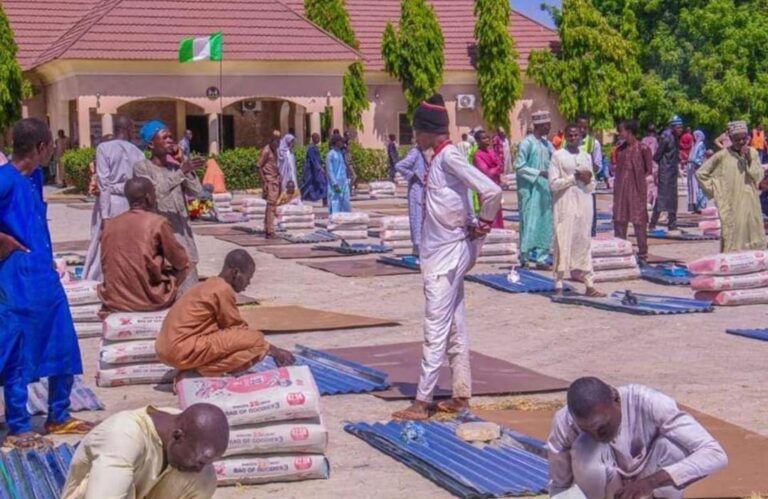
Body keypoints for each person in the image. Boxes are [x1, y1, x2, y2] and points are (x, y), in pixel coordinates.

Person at [391, 95, 502, 420]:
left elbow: (491, 190)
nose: (415, 137)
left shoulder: (450, 157)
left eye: (417, 131)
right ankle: (461, 394)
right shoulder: (437, 160)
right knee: (455, 325)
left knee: (435, 328)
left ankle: (422, 401)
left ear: (429, 132)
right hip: (442, 253)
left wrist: (483, 224)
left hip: (448, 256)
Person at [0, 118, 94, 448]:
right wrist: (5, 242)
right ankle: (19, 424)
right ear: (41, 147)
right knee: (17, 352)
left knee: (62, 343)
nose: (54, 149)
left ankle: (58, 415)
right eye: (51, 144)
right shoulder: (5, 181)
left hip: (45, 277)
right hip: (16, 281)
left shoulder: (35, 177)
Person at [548, 377, 728, 499]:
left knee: (673, 447)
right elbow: (560, 486)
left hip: (653, 481)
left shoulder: (649, 402)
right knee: (584, 447)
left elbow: (715, 454)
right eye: (588, 429)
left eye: (603, 427)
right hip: (604, 489)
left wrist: (650, 482)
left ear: (615, 401)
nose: (597, 435)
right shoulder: (564, 421)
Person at [155, 250, 295, 376]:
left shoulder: (207, 285)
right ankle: (200, 372)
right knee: (257, 341)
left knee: (246, 341)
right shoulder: (222, 289)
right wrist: (273, 350)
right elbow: (236, 328)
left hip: (165, 349)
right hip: (179, 349)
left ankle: (197, 368)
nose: (249, 283)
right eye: (248, 277)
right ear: (235, 273)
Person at [61, 404, 229, 499]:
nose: (199, 468)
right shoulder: (124, 434)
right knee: (119, 481)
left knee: (205, 478)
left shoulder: (181, 430)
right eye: (198, 461)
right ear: (178, 436)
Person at [98, 177, 190, 313]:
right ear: (148, 197)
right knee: (186, 264)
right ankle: (164, 300)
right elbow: (181, 261)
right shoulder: (158, 222)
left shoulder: (109, 224)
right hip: (149, 299)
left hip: (113, 298)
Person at [134, 120, 203, 295]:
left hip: (183, 240)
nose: (170, 141)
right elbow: (154, 194)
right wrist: (181, 173)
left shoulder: (176, 167)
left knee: (189, 297)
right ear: (151, 143)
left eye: (171, 137)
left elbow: (196, 191)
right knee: (164, 296)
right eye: (165, 138)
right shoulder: (142, 168)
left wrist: (184, 166)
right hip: (161, 244)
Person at [82, 116, 145, 281]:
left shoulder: (104, 148)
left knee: (102, 240)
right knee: (127, 242)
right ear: (128, 129)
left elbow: (104, 182)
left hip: (110, 201)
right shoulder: (138, 152)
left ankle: (98, 278)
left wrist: (104, 214)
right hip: (130, 202)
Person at [550, 124, 604, 297]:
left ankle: (589, 284)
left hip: (584, 205)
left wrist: (588, 180)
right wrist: (574, 178)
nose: (573, 138)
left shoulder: (586, 156)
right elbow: (553, 184)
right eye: (570, 135)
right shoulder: (558, 156)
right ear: (565, 137)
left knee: (584, 242)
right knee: (562, 241)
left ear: (581, 137)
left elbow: (593, 185)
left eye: (576, 135)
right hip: (565, 205)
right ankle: (558, 283)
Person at [696, 120, 767, 252]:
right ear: (731, 139)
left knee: (752, 231)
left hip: (750, 201)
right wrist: (716, 190)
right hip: (731, 203)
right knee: (733, 232)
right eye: (737, 139)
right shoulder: (722, 156)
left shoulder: (753, 153)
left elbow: (758, 176)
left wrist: (749, 159)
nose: (741, 142)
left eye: (743, 139)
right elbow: (701, 173)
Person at [515, 111, 555, 268]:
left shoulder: (547, 144)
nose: (549, 127)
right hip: (529, 191)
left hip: (544, 190)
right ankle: (524, 258)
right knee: (528, 222)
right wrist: (539, 173)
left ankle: (541, 258)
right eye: (547, 125)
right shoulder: (527, 143)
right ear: (539, 125)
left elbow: (556, 158)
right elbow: (519, 167)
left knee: (545, 222)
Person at [613, 120, 653, 262]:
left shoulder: (643, 148)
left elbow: (649, 170)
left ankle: (642, 253)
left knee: (639, 221)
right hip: (621, 189)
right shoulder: (621, 150)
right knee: (619, 220)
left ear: (629, 131)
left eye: (621, 131)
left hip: (637, 190)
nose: (620, 134)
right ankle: (620, 251)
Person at [651, 116, 684, 230]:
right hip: (665, 172)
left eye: (681, 127)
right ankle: (652, 223)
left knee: (673, 199)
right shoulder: (666, 137)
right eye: (679, 127)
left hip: (672, 171)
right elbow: (657, 155)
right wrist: (661, 167)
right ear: (673, 126)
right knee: (662, 198)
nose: (681, 129)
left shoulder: (675, 137)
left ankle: (672, 224)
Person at [395, 145, 428, 255]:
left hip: (424, 189)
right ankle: (417, 246)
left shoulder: (424, 153)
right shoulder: (415, 152)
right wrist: (412, 175)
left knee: (423, 218)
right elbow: (400, 165)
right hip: (416, 189)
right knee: (416, 217)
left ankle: (421, 246)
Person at [576, 115, 604, 233]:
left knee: (589, 214)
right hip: (573, 184)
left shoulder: (594, 143)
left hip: (588, 186)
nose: (582, 130)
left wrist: (586, 173)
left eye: (584, 127)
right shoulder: (568, 141)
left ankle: (591, 235)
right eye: (580, 127)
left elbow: (598, 165)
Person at [473, 130, 505, 228]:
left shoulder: (491, 152)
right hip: (486, 190)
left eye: (487, 137)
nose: (487, 140)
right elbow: (487, 172)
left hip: (496, 187)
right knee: (488, 215)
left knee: (497, 213)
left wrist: (498, 167)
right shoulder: (478, 155)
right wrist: (497, 168)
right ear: (477, 141)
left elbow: (501, 166)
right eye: (484, 138)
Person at [258, 134, 281, 238]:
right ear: (272, 141)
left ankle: (267, 227)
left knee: (272, 206)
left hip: (275, 180)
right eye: (276, 142)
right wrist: (265, 182)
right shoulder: (266, 151)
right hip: (269, 180)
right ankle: (270, 231)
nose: (278, 145)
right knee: (271, 205)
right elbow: (258, 166)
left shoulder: (274, 150)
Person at [327, 134, 351, 214]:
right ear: (336, 142)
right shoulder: (331, 154)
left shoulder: (340, 153)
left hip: (344, 182)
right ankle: (335, 219)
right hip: (336, 183)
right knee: (335, 201)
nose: (342, 143)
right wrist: (334, 183)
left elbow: (343, 167)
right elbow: (330, 171)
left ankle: (346, 219)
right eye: (340, 141)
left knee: (345, 200)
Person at [300, 133, 327, 204]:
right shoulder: (311, 148)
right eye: (318, 138)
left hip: (315, 169)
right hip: (311, 169)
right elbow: (313, 160)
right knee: (307, 183)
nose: (319, 139)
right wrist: (320, 168)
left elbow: (317, 159)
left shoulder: (315, 147)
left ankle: (325, 200)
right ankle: (301, 197)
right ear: (314, 139)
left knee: (322, 183)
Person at [687, 130, 708, 213]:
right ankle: (693, 205)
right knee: (692, 186)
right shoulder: (695, 145)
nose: (694, 137)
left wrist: (697, 165)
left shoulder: (701, 145)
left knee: (697, 187)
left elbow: (700, 157)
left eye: (696, 136)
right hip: (691, 167)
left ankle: (699, 205)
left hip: (696, 167)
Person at [642, 124, 660, 210]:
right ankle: (651, 202)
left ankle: (645, 201)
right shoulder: (655, 140)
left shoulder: (643, 140)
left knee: (645, 183)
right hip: (653, 164)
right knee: (653, 184)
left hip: (644, 164)